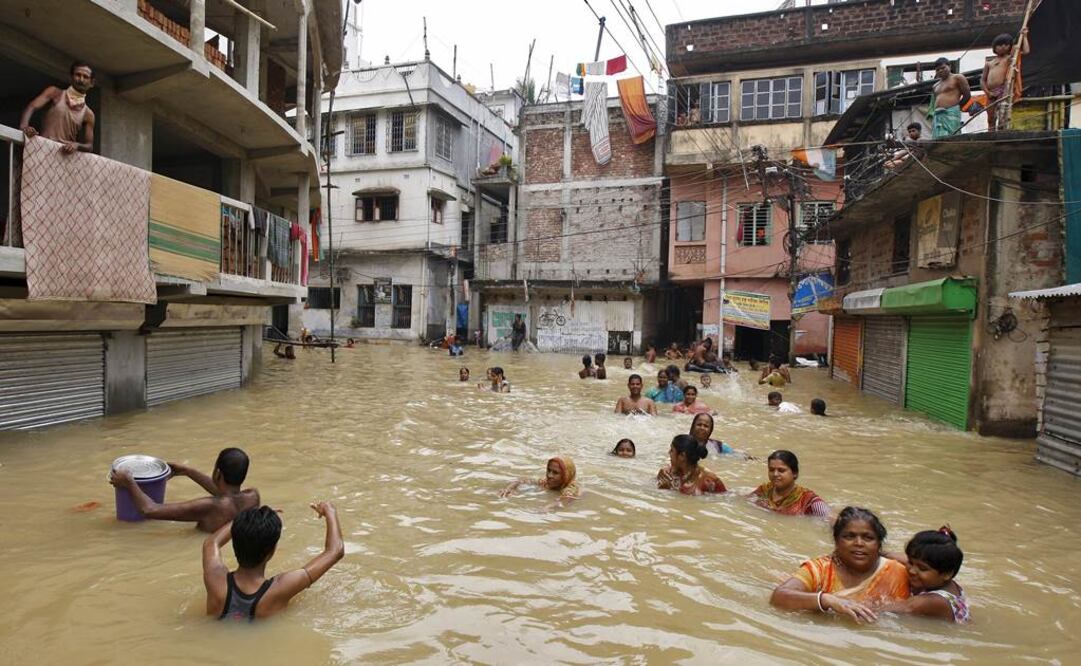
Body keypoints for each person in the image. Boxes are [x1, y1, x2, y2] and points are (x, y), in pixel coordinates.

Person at [202, 502, 344, 622]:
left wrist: (247, 520)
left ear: (234, 543)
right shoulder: (280, 588)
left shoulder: (215, 578)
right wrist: (330, 511)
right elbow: (335, 551)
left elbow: (211, 542)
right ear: (272, 551)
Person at [770, 506, 909, 623]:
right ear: (836, 541)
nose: (859, 543)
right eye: (849, 536)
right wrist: (827, 600)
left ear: (878, 544)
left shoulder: (896, 572)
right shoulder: (819, 569)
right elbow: (779, 597)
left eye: (868, 538)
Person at [108, 448, 260, 532]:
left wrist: (129, 482)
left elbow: (149, 510)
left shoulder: (210, 506)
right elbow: (226, 494)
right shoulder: (253, 497)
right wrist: (188, 471)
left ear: (218, 473)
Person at [881, 527, 970, 623]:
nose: (912, 571)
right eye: (911, 563)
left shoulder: (930, 602)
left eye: (922, 568)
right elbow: (903, 558)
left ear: (947, 574)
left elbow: (880, 611)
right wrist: (878, 553)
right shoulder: (943, 581)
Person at [20, 61, 97, 154]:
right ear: (70, 77)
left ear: (92, 83)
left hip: (64, 158)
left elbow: (89, 146)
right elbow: (31, 107)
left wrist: (76, 145)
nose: (81, 79)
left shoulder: (88, 114)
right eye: (78, 75)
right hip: (43, 150)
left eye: (85, 77)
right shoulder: (55, 93)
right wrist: (24, 126)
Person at [750, 450, 831, 518]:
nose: (775, 474)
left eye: (781, 470)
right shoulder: (763, 491)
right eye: (771, 470)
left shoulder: (809, 502)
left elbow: (832, 520)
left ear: (795, 473)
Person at [982, 30, 1029, 130]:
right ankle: (990, 135)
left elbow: (1025, 51)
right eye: (999, 45)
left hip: (1004, 90)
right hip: (990, 93)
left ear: (1009, 47)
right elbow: (982, 81)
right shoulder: (989, 63)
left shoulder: (1009, 59)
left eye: (1006, 44)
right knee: (990, 118)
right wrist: (987, 92)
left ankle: (1001, 134)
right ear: (994, 47)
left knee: (1002, 116)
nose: (1002, 47)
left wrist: (1024, 36)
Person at [657, 434, 726, 495]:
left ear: (682, 456)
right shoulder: (665, 473)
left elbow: (723, 498)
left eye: (672, 450)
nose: (669, 453)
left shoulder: (709, 480)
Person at [500, 456, 580, 508]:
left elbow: (565, 500)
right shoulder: (545, 482)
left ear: (566, 475)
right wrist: (509, 489)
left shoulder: (571, 488)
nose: (549, 475)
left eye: (555, 473)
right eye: (548, 470)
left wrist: (547, 507)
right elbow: (523, 480)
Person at [930, 57, 971, 139]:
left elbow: (967, 95)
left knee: (952, 137)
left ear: (949, 66)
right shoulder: (935, 85)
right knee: (937, 139)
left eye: (943, 68)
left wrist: (957, 107)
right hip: (938, 115)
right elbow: (936, 100)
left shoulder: (958, 78)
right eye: (938, 70)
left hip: (951, 113)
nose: (940, 71)